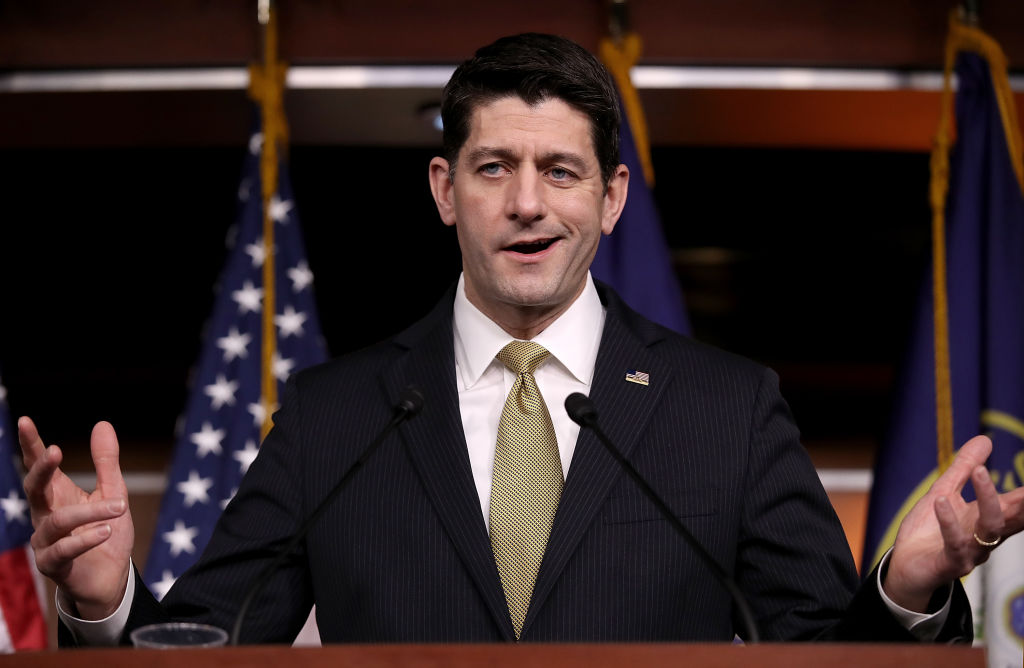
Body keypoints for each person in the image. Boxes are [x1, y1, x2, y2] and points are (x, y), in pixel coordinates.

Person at [19, 33, 1024, 645]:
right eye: (494, 167)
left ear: (612, 196)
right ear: (443, 192)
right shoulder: (334, 419)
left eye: (561, 170)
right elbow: (202, 645)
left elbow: (824, 656)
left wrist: (905, 586)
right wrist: (105, 600)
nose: (528, 203)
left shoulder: (728, 408)